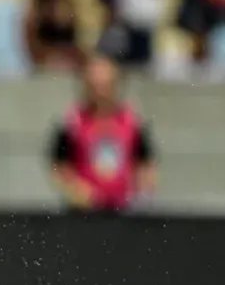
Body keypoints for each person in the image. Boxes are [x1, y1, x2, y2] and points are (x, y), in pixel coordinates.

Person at [48, 54, 158, 213]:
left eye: (106, 85)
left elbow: (145, 164)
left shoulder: (132, 121)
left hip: (124, 211)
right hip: (83, 213)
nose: (101, 92)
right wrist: (78, 191)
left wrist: (140, 192)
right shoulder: (72, 122)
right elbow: (60, 167)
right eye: (95, 86)